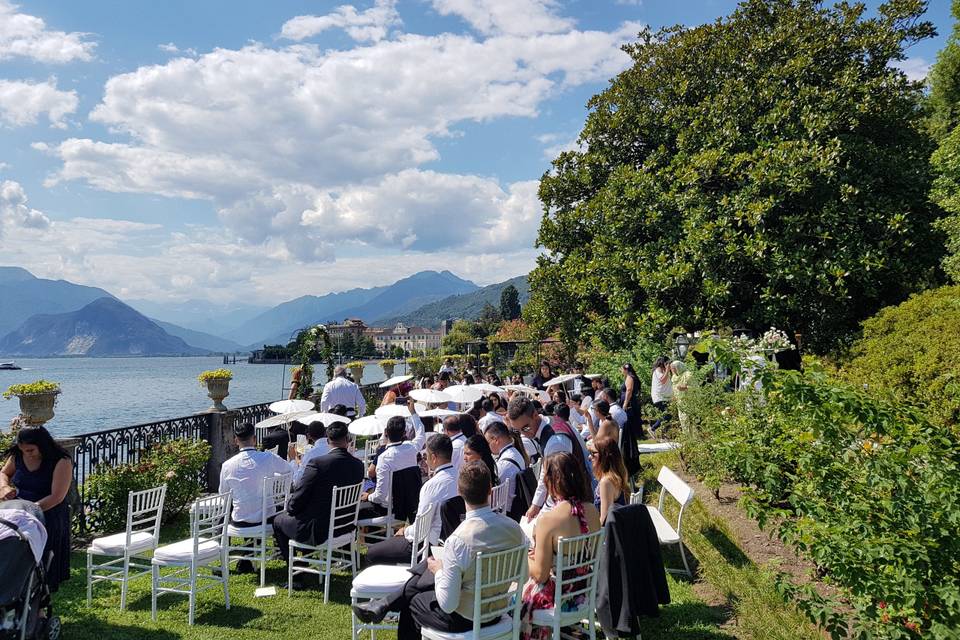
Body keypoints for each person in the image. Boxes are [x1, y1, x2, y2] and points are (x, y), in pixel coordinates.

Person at [353, 461, 526, 640]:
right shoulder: (514, 529)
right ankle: (384, 604)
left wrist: (439, 572)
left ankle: (386, 603)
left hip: (466, 618)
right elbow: (525, 575)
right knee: (427, 571)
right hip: (497, 611)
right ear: (490, 489)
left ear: (459, 491)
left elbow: (448, 604)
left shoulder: (460, 539)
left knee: (413, 603)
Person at [519, 452, 601, 640]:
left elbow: (541, 575)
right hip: (582, 594)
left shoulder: (548, 520)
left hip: (557, 598)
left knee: (512, 598)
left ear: (551, 481)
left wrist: (524, 556)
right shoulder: (591, 510)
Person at [272, 421, 364, 575]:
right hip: (346, 525)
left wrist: (290, 507)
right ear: (347, 439)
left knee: (278, 521)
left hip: (320, 529)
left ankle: (296, 572)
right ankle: (303, 561)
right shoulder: (358, 465)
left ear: (328, 441)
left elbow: (299, 497)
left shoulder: (317, 463)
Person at [366, 434, 458, 566]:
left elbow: (420, 529)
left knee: (372, 553)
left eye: (426, 456)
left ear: (433, 457)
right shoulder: (460, 476)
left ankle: (393, 585)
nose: (425, 460)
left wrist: (405, 531)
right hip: (451, 537)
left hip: (428, 545)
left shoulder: (432, 486)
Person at [0, 426, 73, 592]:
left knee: (44, 562)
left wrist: (30, 511)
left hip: (48, 514)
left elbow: (57, 496)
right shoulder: (18, 455)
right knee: (17, 556)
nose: (27, 454)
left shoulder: (61, 461)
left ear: (43, 445)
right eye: (23, 450)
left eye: (31, 450)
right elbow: (3, 473)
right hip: (19, 514)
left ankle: (40, 602)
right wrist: (4, 487)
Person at [219, 421, 290, 573]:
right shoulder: (268, 458)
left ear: (236, 440)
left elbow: (224, 495)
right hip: (266, 516)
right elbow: (289, 470)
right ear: (255, 439)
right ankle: (255, 557)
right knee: (270, 510)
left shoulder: (227, 465)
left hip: (240, 521)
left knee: (240, 509)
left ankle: (242, 558)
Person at [508, 396, 592, 520]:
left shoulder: (555, 441)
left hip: (577, 505)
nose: (523, 434)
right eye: (518, 431)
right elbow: (546, 470)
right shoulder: (550, 422)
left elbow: (557, 482)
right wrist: (535, 505)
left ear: (535, 415)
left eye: (525, 428)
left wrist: (538, 510)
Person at [359, 408, 426, 520]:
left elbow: (379, 496)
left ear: (385, 432)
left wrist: (368, 496)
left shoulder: (383, 458)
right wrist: (413, 412)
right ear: (404, 433)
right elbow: (421, 433)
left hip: (392, 510)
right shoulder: (411, 448)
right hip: (412, 505)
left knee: (360, 511)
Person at [484, 420, 527, 507]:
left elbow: (494, 498)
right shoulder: (516, 452)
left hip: (507, 509)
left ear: (496, 440)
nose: (487, 447)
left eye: (487, 443)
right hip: (515, 504)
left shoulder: (503, 464)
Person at [590, 437, 628, 524]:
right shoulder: (617, 476)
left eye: (593, 453)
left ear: (604, 456)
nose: (589, 457)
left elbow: (605, 520)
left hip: (609, 534)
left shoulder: (606, 482)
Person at [287, 420, 331, 484]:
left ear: (309, 436)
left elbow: (297, 481)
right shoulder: (334, 449)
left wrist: (293, 460)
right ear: (325, 433)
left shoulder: (311, 454)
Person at [650, 356, 673, 433]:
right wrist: (667, 369)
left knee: (667, 416)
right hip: (660, 397)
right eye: (667, 363)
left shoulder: (663, 371)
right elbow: (662, 380)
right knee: (666, 415)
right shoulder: (658, 370)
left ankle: (663, 432)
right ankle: (653, 428)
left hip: (666, 397)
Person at [671, 361, 694, 430]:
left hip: (690, 401)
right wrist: (673, 396)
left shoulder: (688, 375)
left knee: (692, 420)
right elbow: (674, 389)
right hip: (680, 402)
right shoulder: (674, 377)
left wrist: (686, 388)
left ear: (678, 367)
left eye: (674, 368)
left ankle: (695, 438)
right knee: (683, 419)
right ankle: (686, 437)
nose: (673, 370)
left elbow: (696, 388)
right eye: (672, 369)